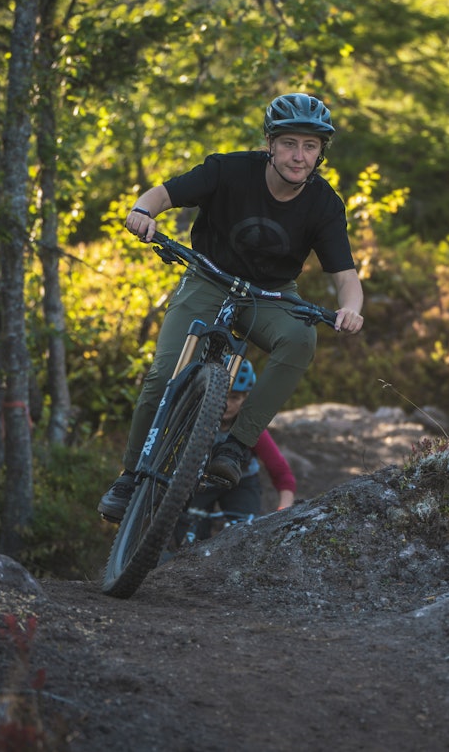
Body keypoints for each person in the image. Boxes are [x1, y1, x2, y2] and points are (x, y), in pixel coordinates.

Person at [98, 92, 363, 522]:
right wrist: (141, 212)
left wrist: (351, 309)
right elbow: (162, 194)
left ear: (320, 153)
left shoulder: (324, 203)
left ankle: (236, 448)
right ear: (270, 144)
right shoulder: (228, 169)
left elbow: (346, 276)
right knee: (163, 374)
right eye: (290, 143)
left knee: (300, 338)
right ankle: (129, 476)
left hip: (271, 293)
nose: (299, 156)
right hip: (208, 278)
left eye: (310, 146)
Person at [176, 359, 296, 544]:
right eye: (223, 395)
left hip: (242, 483)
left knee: (244, 538)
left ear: (245, 399)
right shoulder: (194, 421)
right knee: (186, 538)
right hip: (201, 483)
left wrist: (284, 510)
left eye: (235, 398)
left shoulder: (251, 427)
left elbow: (280, 471)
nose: (226, 403)